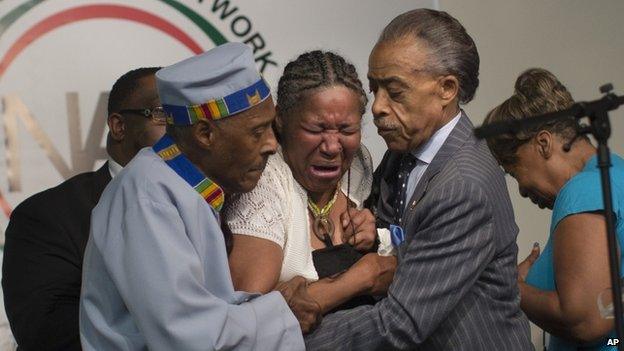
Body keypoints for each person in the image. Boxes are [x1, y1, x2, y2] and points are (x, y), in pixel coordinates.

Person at [305, 9, 532, 350]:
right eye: (374, 89)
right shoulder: (403, 151)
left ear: (446, 88)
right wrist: (374, 230)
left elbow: (400, 322)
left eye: (395, 92)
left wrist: (282, 339)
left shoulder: (463, 185)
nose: (378, 107)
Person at [79, 43, 320, 350]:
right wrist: (282, 312)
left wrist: (275, 301)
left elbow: (207, 308)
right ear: (205, 134)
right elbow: (188, 337)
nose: (272, 144)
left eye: (272, 128)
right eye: (257, 132)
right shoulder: (147, 196)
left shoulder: (182, 186)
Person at [2, 67, 166, 351]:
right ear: (119, 126)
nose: (182, 130)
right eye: (165, 114)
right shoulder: (47, 217)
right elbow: (51, 337)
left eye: (189, 117)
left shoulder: (218, 204)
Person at [225, 50, 396, 314]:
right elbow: (249, 317)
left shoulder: (359, 164)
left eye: (346, 130)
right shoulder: (263, 181)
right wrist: (364, 276)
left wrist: (369, 233)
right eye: (315, 129)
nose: (332, 147)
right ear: (280, 119)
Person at [483, 68, 624, 350]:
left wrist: (505, 285)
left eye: (514, 170)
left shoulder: (582, 190)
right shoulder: (616, 172)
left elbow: (585, 321)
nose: (522, 188)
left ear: (544, 143)